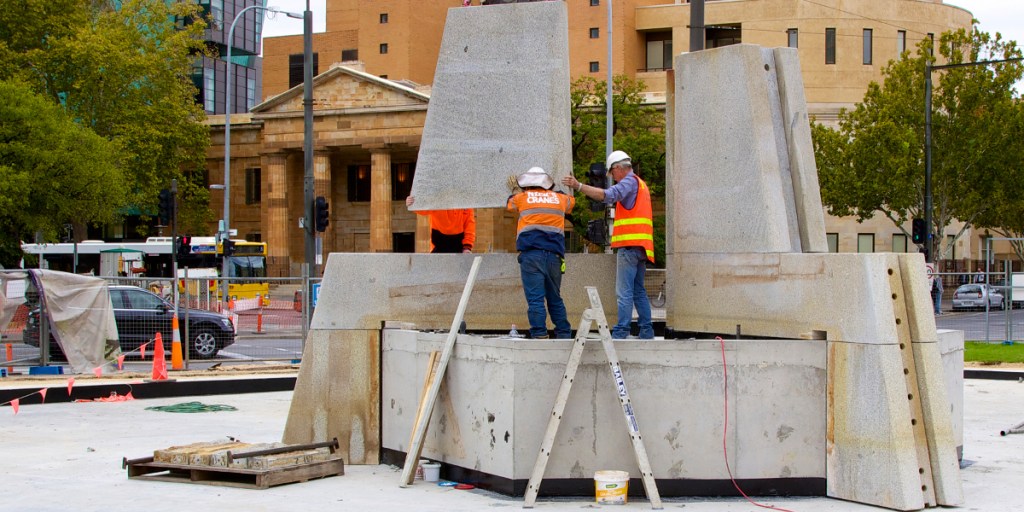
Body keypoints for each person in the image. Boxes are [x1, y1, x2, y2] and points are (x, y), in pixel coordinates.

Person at [562, 150, 655, 339]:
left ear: (618, 168)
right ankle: (646, 331)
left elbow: (607, 195)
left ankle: (621, 331)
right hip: (641, 247)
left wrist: (579, 186)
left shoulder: (629, 182)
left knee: (624, 292)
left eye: (612, 173)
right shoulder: (641, 184)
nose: (612, 177)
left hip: (629, 246)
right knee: (638, 291)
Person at [506, 167, 575, 339]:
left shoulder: (522, 197)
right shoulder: (560, 198)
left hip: (531, 255)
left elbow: (510, 204)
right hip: (554, 256)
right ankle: (564, 333)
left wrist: (515, 190)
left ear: (527, 185)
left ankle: (539, 334)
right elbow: (571, 203)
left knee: (536, 299)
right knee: (555, 298)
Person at [405, 196, 476, 253]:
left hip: (459, 244)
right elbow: (422, 209)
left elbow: (469, 226)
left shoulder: (466, 204)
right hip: (439, 243)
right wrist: (412, 203)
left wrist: (467, 247)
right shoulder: (437, 201)